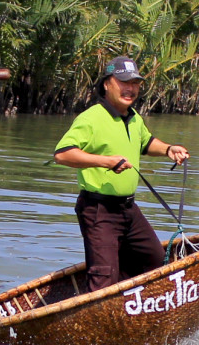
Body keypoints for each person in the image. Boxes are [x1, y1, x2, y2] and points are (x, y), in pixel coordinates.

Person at [51, 57, 191, 290]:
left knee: (157, 262)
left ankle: (131, 310)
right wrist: (105, 162)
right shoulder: (91, 118)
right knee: (103, 278)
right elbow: (63, 154)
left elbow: (145, 142)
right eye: (123, 82)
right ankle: (96, 319)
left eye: (135, 83)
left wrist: (168, 149)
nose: (130, 88)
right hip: (99, 210)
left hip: (129, 210)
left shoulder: (133, 117)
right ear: (107, 84)